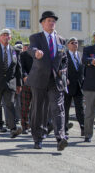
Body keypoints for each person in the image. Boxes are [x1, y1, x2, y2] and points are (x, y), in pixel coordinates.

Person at [27, 11, 68, 151]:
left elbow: (64, 60)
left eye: (53, 21)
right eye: (49, 20)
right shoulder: (36, 37)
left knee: (58, 108)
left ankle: (60, 138)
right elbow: (31, 49)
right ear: (42, 23)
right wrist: (36, 53)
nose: (52, 23)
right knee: (38, 110)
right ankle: (38, 139)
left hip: (55, 80)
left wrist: (64, 72)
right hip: (39, 79)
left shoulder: (61, 40)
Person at [64, 37, 85, 136]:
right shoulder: (64, 55)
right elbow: (61, 68)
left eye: (76, 42)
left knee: (80, 108)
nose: (75, 44)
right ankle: (64, 127)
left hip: (79, 86)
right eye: (72, 43)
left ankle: (83, 127)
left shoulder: (81, 55)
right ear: (68, 45)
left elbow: (83, 70)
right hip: (67, 86)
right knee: (65, 108)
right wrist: (64, 79)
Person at [20, 43, 33, 134]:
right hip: (27, 83)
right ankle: (25, 126)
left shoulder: (40, 54)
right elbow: (21, 67)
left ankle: (35, 125)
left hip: (38, 83)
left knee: (37, 106)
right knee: (25, 106)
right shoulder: (23, 55)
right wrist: (24, 76)